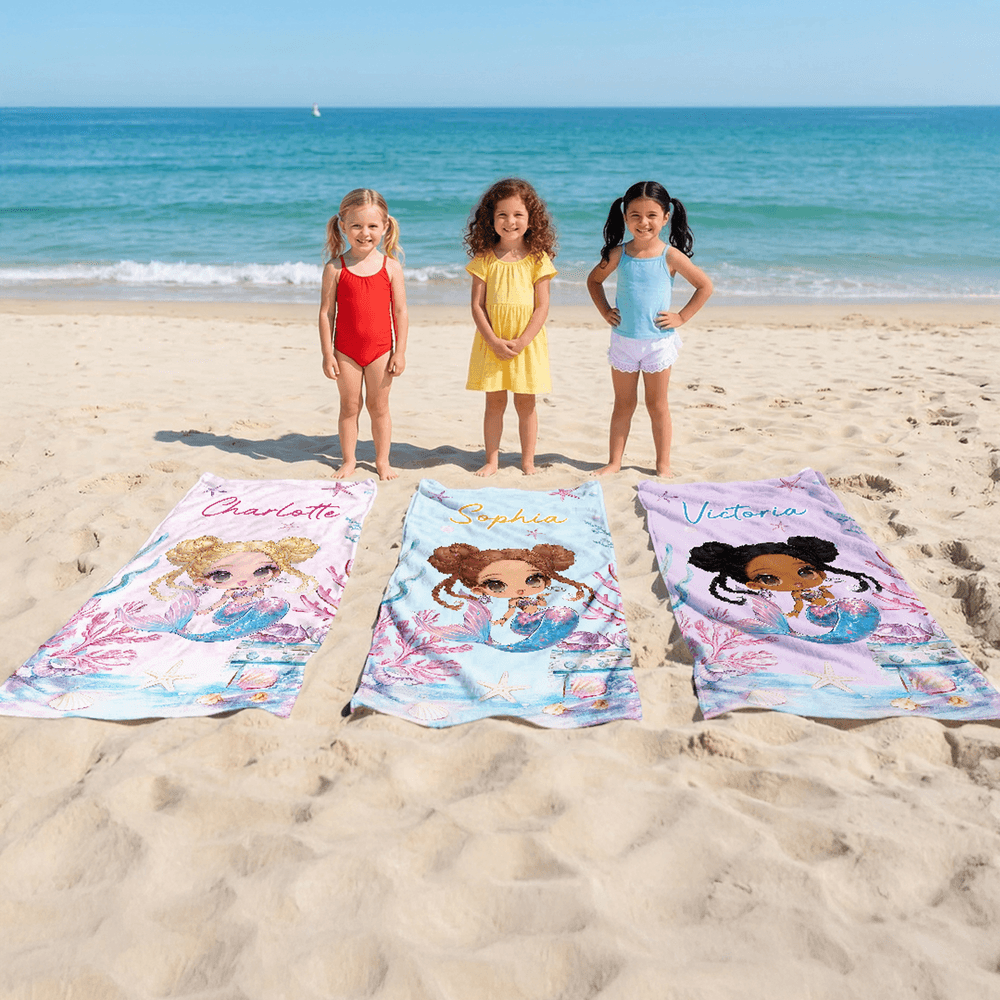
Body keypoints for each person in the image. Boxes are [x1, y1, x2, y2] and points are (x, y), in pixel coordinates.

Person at [586, 181, 713, 477]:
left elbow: (705, 286)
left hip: (658, 344)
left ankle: (662, 465)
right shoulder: (618, 254)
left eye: (652, 215)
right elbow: (593, 281)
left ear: (666, 217)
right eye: (635, 215)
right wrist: (605, 310)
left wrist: (681, 317)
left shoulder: (671, 256)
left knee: (657, 406)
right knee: (623, 405)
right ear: (625, 217)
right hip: (623, 342)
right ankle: (614, 462)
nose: (643, 222)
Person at [464, 178, 558, 477]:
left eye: (518, 214)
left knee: (526, 404)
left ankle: (527, 461)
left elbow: (542, 307)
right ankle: (492, 461)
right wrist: (493, 340)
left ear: (531, 219)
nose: (510, 221)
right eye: (502, 215)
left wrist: (523, 340)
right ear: (490, 219)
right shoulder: (484, 258)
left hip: (526, 344)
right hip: (491, 342)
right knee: (494, 403)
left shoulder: (538, 259)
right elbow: (477, 305)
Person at [319, 188, 408, 481]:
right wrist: (328, 354)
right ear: (343, 226)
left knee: (379, 407)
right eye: (356, 225)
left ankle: (382, 461)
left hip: (381, 350)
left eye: (372, 226)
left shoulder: (391, 267)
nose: (364, 233)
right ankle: (349, 460)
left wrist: (400, 352)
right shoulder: (335, 268)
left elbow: (400, 312)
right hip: (345, 351)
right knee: (350, 406)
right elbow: (326, 314)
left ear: (385, 227)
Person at [687, 536, 883, 644]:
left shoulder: (827, 589)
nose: (796, 582)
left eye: (805, 572)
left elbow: (826, 596)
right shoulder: (792, 597)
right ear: (754, 586)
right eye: (769, 579)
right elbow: (798, 603)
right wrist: (795, 612)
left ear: (821, 573)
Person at [424, 543, 593, 652]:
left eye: (533, 579)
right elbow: (510, 611)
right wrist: (502, 620)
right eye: (496, 585)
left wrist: (541, 602)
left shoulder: (540, 600)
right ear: (478, 590)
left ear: (547, 581)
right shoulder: (513, 602)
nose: (520, 589)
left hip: (537, 622)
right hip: (522, 623)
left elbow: (541, 604)